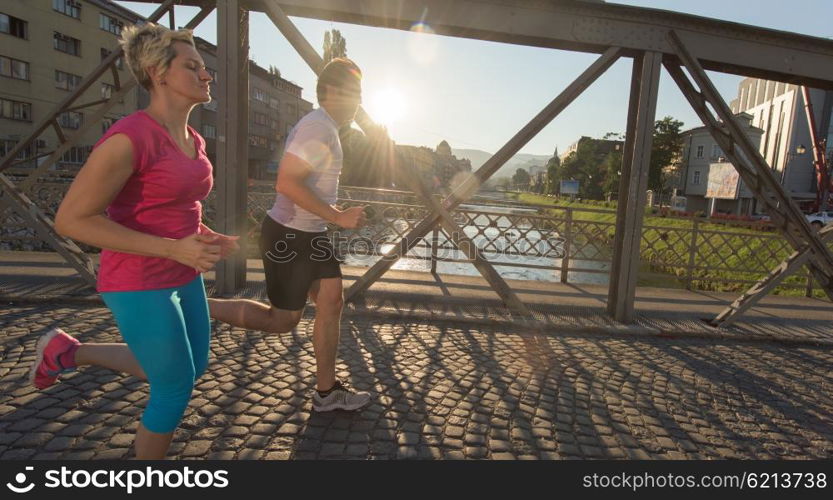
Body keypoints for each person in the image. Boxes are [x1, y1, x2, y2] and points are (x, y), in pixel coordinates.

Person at [28, 23, 238, 459]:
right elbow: (71, 220)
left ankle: (68, 352)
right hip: (138, 279)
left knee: (193, 368)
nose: (206, 75)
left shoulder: (193, 137)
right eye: (193, 66)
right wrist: (171, 248)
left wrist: (201, 235)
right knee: (173, 387)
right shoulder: (131, 136)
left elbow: (172, 209)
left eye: (205, 67)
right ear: (156, 72)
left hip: (181, 271)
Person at [208, 58, 371, 412]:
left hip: (309, 235)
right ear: (330, 92)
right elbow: (287, 182)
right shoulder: (317, 127)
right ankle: (200, 307)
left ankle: (327, 393)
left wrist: (330, 217)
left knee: (331, 300)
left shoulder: (326, 128)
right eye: (354, 92)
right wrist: (338, 216)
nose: (359, 101)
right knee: (281, 320)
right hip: (288, 235)